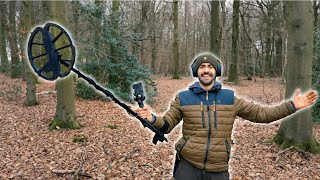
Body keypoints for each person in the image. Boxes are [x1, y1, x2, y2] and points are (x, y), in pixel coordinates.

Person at [135, 53, 318, 180]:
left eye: (210, 67)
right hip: (187, 166)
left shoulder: (230, 98)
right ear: (196, 72)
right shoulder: (183, 97)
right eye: (202, 67)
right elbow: (166, 124)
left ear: (217, 71)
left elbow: (263, 114)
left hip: (218, 169)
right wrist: (152, 119)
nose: (206, 70)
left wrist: (292, 105)